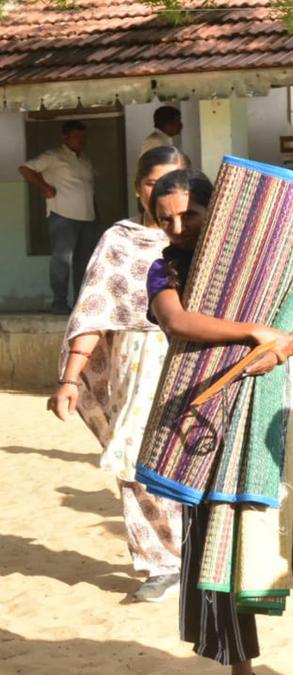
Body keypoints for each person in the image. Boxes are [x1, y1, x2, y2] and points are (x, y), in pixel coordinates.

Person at [145, 169, 293, 675]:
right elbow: (177, 321)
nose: (177, 227)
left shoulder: (268, 261)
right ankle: (240, 670)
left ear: (217, 209)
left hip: (280, 417)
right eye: (164, 218)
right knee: (218, 546)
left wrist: (280, 352)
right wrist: (256, 331)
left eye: (189, 213)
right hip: (207, 424)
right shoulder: (163, 269)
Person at [46, 145, 189, 603]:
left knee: (192, 456)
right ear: (137, 188)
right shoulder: (120, 239)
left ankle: (197, 555)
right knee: (135, 459)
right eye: (151, 183)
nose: (161, 192)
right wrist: (70, 379)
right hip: (137, 358)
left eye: (172, 182)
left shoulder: (204, 237)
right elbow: (94, 309)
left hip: (193, 357)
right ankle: (160, 563)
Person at [19, 120, 97, 314]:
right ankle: (59, 303)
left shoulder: (85, 159)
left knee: (84, 262)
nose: (81, 140)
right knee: (62, 261)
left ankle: (81, 305)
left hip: (87, 218)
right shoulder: (53, 156)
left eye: (83, 136)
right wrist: (44, 188)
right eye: (77, 136)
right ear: (65, 137)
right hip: (63, 216)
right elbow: (25, 169)